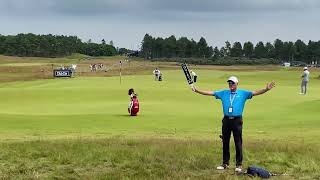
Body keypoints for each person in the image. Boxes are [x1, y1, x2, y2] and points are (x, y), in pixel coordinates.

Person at [190, 76, 275, 173]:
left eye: (233, 83)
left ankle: (239, 164)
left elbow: (255, 92)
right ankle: (225, 163)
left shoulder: (243, 93)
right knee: (225, 142)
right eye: (229, 83)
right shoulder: (224, 93)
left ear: (237, 84)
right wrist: (197, 90)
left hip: (237, 120)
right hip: (226, 120)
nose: (231, 85)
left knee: (238, 142)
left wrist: (266, 89)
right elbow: (210, 93)